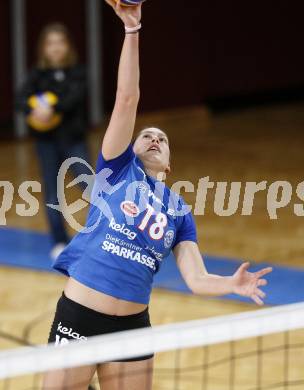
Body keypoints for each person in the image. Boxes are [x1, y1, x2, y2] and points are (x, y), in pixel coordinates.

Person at [43, 1, 272, 389]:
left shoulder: (179, 213)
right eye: (146, 135)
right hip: (80, 314)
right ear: (129, 149)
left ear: (168, 165)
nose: (154, 138)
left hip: (133, 329)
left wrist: (231, 285)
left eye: (162, 139)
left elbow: (196, 278)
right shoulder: (115, 170)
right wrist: (132, 31)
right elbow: (127, 98)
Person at [16, 23, 91, 260]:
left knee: (90, 186)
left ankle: (104, 234)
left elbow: (73, 98)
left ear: (68, 46)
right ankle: (59, 241)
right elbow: (20, 99)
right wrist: (34, 108)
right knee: (52, 191)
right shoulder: (37, 76)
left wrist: (52, 106)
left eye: (60, 42)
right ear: (43, 49)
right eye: (51, 43)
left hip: (73, 140)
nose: (56, 48)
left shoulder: (78, 72)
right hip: (46, 143)